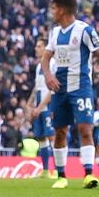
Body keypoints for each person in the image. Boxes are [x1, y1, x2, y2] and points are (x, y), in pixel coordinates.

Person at [42, 0, 99, 189]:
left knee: (85, 129)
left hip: (81, 87)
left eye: (54, 8)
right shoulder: (54, 32)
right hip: (59, 89)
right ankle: (61, 176)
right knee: (59, 131)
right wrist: (48, 75)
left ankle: (89, 174)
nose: (52, 12)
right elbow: (46, 58)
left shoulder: (85, 30)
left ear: (63, 10)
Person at [26, 39, 56, 178]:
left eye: (39, 46)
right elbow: (37, 88)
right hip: (39, 107)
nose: (36, 48)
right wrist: (29, 104)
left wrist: (41, 107)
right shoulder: (39, 67)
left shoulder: (52, 64)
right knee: (41, 138)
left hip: (48, 107)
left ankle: (57, 170)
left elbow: (53, 89)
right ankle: (45, 170)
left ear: (46, 48)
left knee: (52, 137)